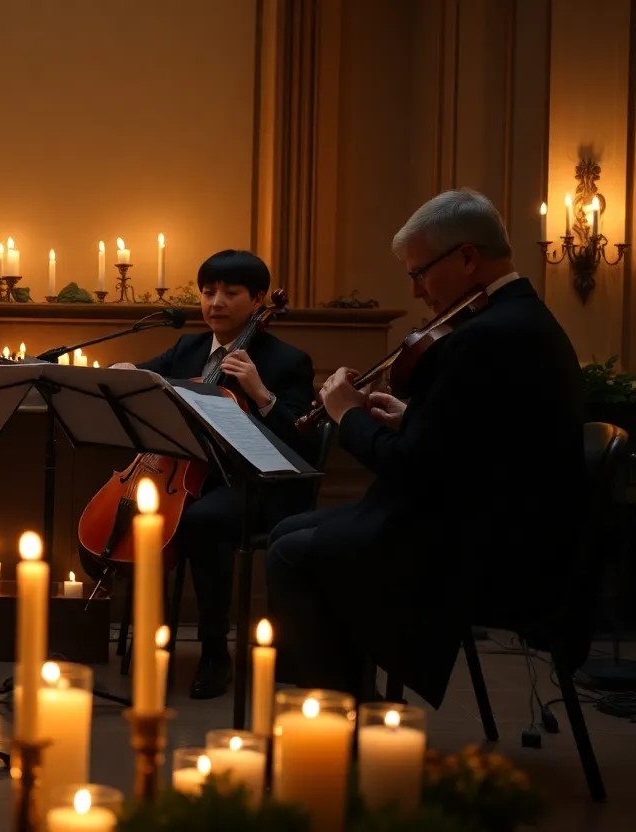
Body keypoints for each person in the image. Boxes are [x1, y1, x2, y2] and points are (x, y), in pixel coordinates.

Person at [266, 188, 585, 706]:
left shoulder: (485, 337)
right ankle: (349, 697)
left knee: (290, 556)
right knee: (290, 530)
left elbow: (415, 470)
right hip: (488, 517)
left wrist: (348, 415)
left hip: (484, 546)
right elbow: (481, 438)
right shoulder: (520, 319)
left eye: (420, 274)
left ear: (466, 257)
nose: (416, 292)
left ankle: (341, 715)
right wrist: (410, 415)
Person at [109, 249, 317, 699]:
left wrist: (261, 393)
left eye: (230, 292)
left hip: (259, 486)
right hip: (196, 477)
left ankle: (213, 651)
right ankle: (151, 639)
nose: (215, 302)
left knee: (202, 521)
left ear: (259, 299)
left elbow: (303, 442)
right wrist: (125, 373)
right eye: (207, 292)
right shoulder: (189, 348)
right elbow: (147, 378)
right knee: (151, 514)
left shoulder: (286, 361)